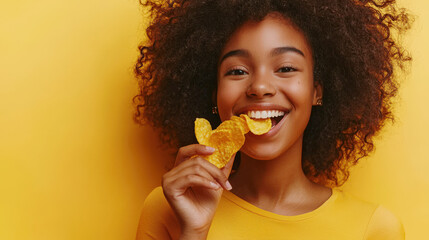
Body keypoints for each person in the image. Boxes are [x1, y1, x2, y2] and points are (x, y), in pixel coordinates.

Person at [134, 0, 411, 239]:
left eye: (286, 68)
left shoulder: (374, 229)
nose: (260, 87)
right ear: (215, 95)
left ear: (317, 91)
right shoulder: (169, 207)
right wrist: (193, 232)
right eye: (237, 71)